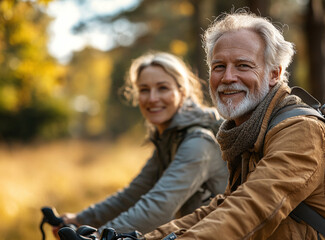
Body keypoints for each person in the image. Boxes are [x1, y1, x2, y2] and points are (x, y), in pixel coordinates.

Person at [143, 10, 325, 239]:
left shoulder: (301, 130)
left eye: (243, 66)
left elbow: (251, 209)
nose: (228, 77)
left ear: (274, 74)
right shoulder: (249, 133)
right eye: (219, 66)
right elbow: (226, 206)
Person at [57, 51, 228, 235]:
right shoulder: (170, 140)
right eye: (144, 90)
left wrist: (99, 236)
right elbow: (131, 196)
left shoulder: (198, 142)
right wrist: (79, 219)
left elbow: (158, 207)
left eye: (162, 88)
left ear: (182, 91)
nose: (152, 98)